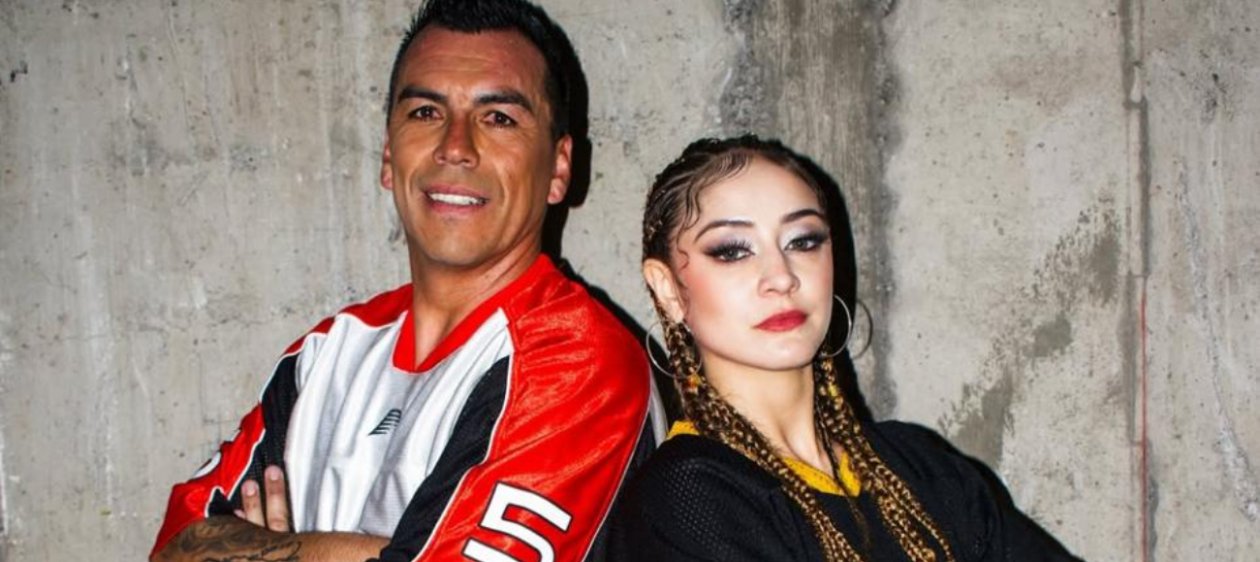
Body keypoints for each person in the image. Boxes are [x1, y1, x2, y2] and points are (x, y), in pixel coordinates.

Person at [150, 1, 661, 561]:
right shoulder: (328, 353)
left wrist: (276, 550)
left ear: (559, 168)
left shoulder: (581, 361)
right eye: (425, 112)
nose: (456, 147)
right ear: (389, 155)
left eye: (499, 118)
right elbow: (174, 547)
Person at [612, 135, 1080, 561]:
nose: (782, 277)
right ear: (668, 289)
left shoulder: (922, 466)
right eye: (733, 250)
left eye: (803, 241)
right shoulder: (687, 496)